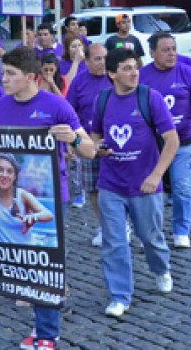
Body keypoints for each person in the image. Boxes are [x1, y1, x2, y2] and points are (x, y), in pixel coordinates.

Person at [0, 46, 95, 349]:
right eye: (3, 73)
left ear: (31, 77)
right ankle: (41, 322)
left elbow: (90, 150)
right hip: (7, 196)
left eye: (11, 74)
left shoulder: (56, 106)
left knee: (45, 262)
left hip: (51, 197)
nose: (4, 79)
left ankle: (47, 334)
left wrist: (74, 138)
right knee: (24, 264)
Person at [91, 47, 179, 318]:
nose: (134, 72)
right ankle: (120, 295)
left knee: (150, 238)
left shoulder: (149, 98)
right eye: (127, 68)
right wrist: (99, 147)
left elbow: (172, 141)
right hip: (110, 184)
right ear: (112, 73)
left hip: (145, 185)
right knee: (114, 242)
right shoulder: (102, 100)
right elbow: (94, 135)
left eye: (135, 67)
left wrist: (155, 176)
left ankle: (161, 269)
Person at [139, 32, 191, 248]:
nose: (172, 53)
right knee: (151, 190)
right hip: (153, 145)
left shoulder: (185, 72)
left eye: (174, 48)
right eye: (166, 49)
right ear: (153, 53)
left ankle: (181, 231)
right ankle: (151, 233)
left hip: (184, 140)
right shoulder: (142, 76)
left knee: (182, 187)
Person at [65, 44, 115, 244]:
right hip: (88, 142)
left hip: (115, 140)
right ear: (87, 62)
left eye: (105, 57)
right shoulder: (79, 82)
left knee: (116, 188)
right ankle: (104, 226)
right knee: (93, 189)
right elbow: (69, 111)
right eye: (97, 59)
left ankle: (121, 225)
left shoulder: (114, 77)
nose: (102, 62)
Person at [0, 153, 55, 245]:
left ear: (15, 176)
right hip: (3, 253)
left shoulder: (22, 195)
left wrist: (33, 217)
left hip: (25, 252)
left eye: (9, 171)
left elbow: (48, 215)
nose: (4, 175)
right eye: (0, 170)